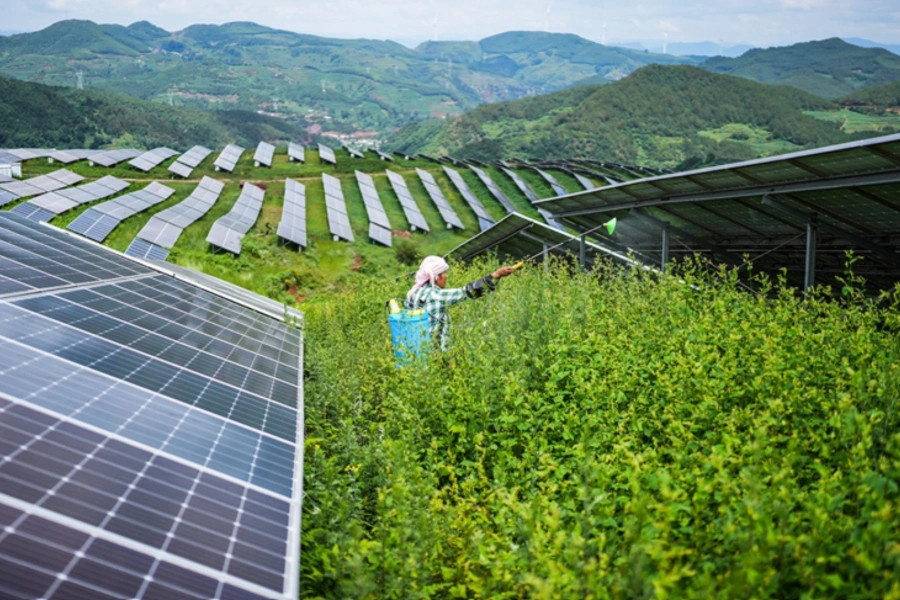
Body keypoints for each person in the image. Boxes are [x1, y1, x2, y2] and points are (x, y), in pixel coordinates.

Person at [406, 256, 517, 351]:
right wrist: (496, 274)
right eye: (444, 273)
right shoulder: (435, 295)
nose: (446, 276)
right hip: (436, 352)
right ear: (436, 276)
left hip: (418, 348)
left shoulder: (414, 292)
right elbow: (468, 291)